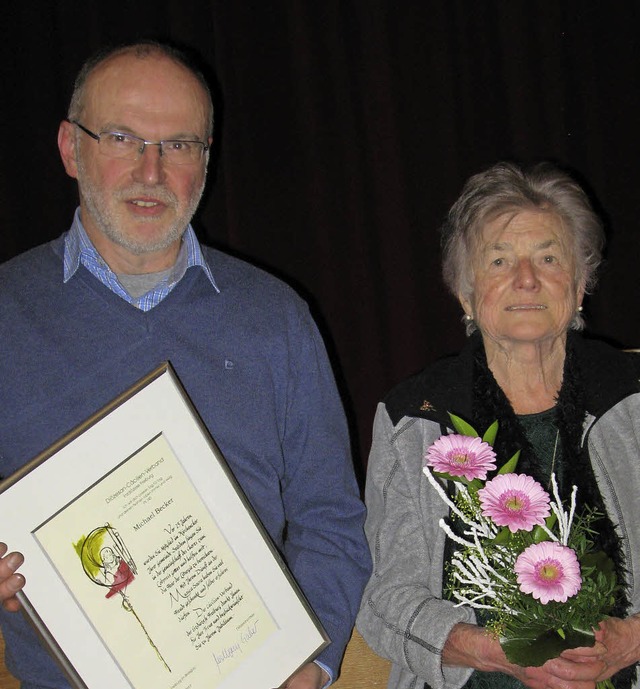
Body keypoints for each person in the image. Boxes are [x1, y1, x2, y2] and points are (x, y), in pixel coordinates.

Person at [0, 40, 371, 689]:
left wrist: (310, 665)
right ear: (70, 146)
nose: (151, 170)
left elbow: (333, 519)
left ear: (205, 161)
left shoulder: (276, 319)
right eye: (122, 137)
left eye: (179, 145)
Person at [356, 161, 640, 689]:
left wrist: (632, 639)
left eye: (549, 258)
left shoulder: (633, 399)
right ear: (466, 293)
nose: (526, 279)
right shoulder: (413, 418)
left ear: (580, 285)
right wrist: (497, 651)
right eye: (500, 260)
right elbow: (386, 603)